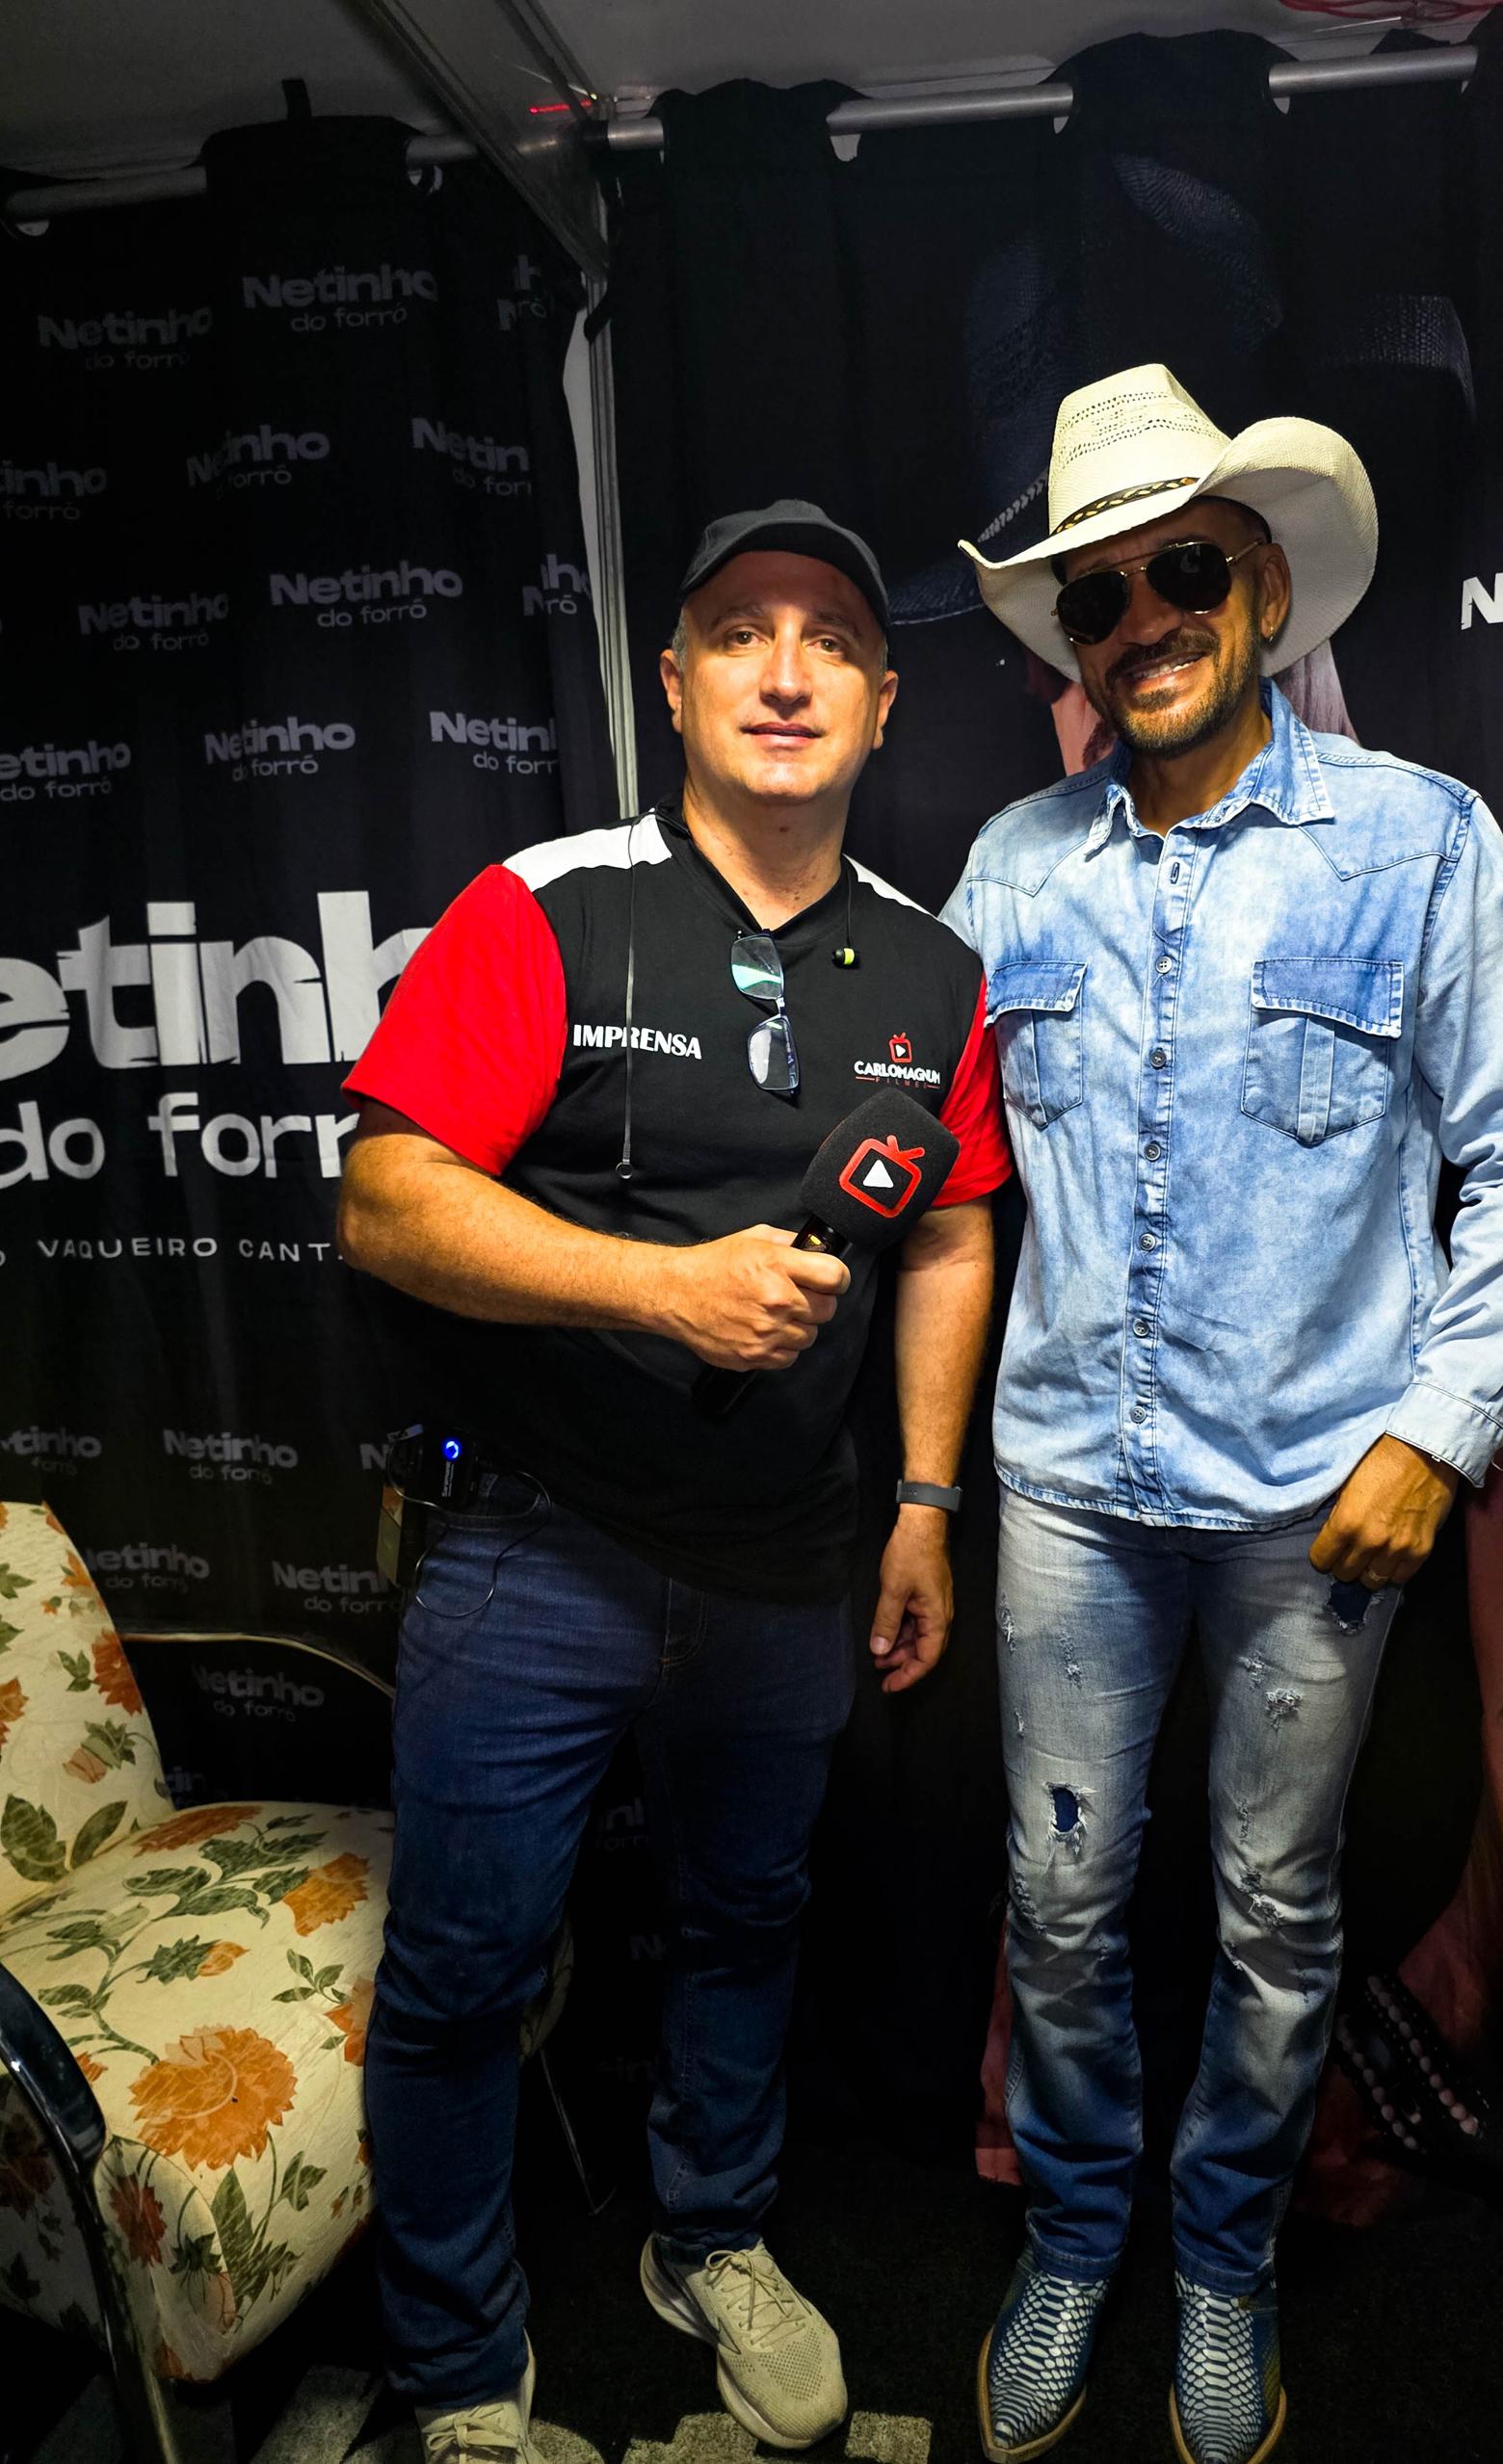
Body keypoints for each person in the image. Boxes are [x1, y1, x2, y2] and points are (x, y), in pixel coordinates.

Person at [942, 367, 1503, 2464]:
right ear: (1072, 642)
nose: (1141, 618)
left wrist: (1438, 1430)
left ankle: (1222, 2258)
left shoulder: (1421, 839)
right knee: (1060, 1906)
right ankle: (1078, 2236)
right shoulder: (1010, 868)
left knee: (1271, 1909)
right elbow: (932, 1165)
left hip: (1319, 1502)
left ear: (1262, 589)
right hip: (1070, 1490)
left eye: (1183, 574)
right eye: (1098, 596)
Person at [337, 500, 1010, 2462]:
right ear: (678, 680)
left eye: (830, 641)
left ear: (883, 702)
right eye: (740, 632)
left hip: (790, 1567)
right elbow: (386, 1199)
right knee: (463, 1971)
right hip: (535, 1552)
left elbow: (953, 1227)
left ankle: (707, 2235)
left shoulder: (935, 968)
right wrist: (660, 1286)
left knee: (745, 1921)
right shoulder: (545, 907)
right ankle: (459, 2359)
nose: (786, 673)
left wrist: (923, 1503)